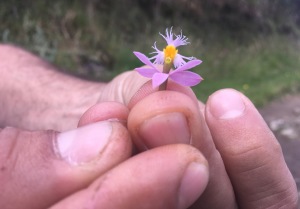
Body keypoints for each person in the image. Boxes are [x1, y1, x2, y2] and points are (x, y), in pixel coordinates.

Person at [0, 44, 298, 209]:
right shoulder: (155, 73)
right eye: (167, 55)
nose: (170, 54)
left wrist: (94, 104)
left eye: (172, 55)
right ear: (160, 60)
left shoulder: (163, 79)